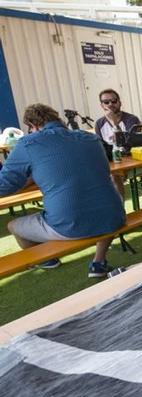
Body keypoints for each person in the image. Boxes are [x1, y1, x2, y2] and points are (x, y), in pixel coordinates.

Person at [0, 104, 125, 277]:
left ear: (32, 126)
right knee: (106, 194)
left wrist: (29, 178)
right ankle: (99, 262)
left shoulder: (28, 143)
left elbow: (4, 186)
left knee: (13, 225)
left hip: (69, 225)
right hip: (114, 217)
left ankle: (46, 260)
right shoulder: (90, 138)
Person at [94, 89, 141, 198]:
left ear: (120, 102)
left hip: (130, 158)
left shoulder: (131, 119)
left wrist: (114, 122)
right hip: (111, 160)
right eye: (106, 102)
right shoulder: (99, 123)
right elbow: (100, 146)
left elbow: (128, 143)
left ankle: (120, 209)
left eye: (114, 101)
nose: (110, 104)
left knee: (114, 176)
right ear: (102, 105)